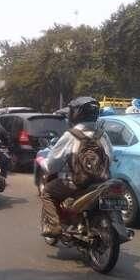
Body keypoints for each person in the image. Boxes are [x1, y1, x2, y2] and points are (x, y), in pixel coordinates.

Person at [37, 97, 112, 237]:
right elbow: (110, 157)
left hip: (77, 183)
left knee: (47, 191)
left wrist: (42, 161)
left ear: (76, 114)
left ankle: (54, 227)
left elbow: (52, 166)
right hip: (102, 181)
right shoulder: (102, 134)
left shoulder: (71, 135)